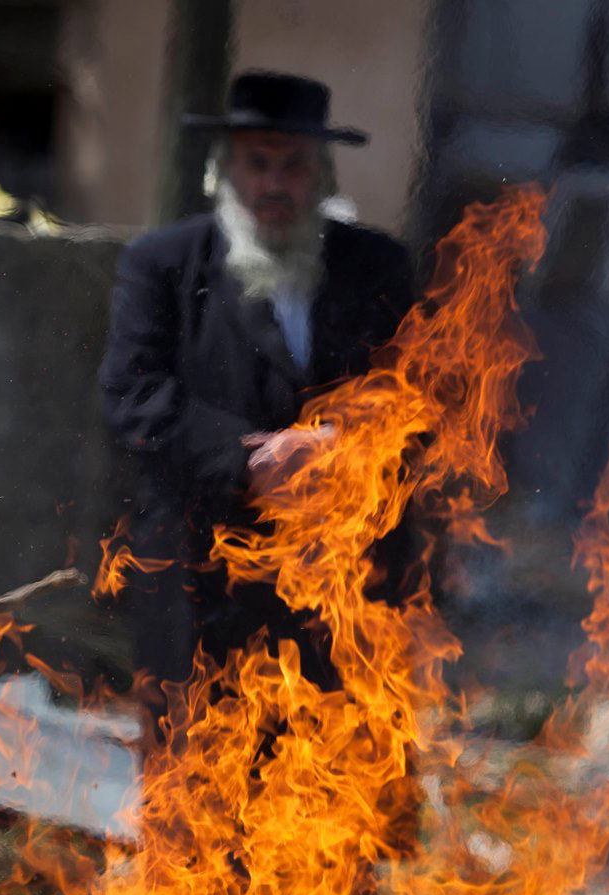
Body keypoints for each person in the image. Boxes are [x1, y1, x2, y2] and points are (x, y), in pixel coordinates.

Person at [100, 71, 414, 723]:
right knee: (197, 795)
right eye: (257, 163)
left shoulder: (376, 266)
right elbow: (133, 394)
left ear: (323, 176)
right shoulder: (162, 264)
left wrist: (346, 450)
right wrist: (250, 459)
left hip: (340, 584)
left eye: (294, 165)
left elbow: (419, 393)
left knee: (338, 786)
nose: (274, 184)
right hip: (201, 582)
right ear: (224, 171)